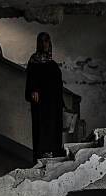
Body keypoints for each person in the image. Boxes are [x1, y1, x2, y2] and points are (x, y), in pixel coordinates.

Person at [25, 32, 64, 164]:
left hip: (54, 104)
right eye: (41, 41)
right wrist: (33, 90)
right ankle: (41, 157)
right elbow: (31, 79)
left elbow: (58, 85)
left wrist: (62, 105)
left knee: (53, 129)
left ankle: (53, 156)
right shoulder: (34, 61)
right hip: (40, 104)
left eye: (46, 41)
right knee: (40, 129)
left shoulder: (52, 64)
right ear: (38, 43)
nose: (44, 44)